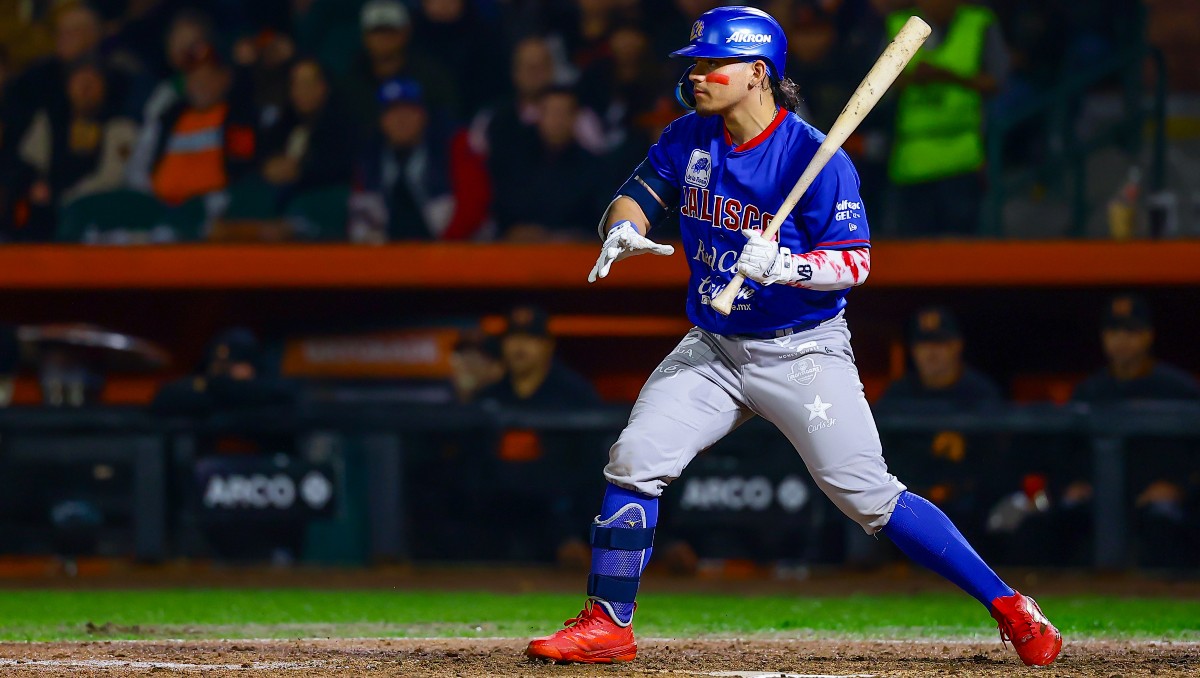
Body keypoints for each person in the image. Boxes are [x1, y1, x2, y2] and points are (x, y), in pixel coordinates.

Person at [524, 6, 1060, 668]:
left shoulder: (815, 157)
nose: (698, 75)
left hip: (801, 347)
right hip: (715, 346)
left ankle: (1010, 607)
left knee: (867, 495)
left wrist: (788, 266)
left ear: (758, 73)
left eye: (712, 63)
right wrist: (622, 227)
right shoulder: (690, 136)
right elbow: (638, 192)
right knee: (634, 458)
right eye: (694, 63)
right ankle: (609, 623)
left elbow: (856, 262)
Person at [876, 306, 1004, 542]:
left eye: (940, 344)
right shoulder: (897, 395)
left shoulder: (980, 393)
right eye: (924, 345)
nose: (931, 353)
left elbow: (996, 465)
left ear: (957, 346)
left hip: (968, 511)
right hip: (907, 508)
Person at [884, 0, 1009, 236]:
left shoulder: (978, 22)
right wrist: (911, 78)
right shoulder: (897, 24)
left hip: (962, 157)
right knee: (914, 255)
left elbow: (997, 81)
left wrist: (948, 76)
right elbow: (873, 87)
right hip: (912, 159)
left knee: (960, 252)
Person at [348, 78, 491, 242]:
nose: (401, 120)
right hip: (392, 254)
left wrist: (443, 250)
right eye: (392, 112)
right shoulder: (370, 157)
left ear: (423, 115)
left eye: (409, 111)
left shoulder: (453, 144)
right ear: (381, 120)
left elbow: (473, 206)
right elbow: (360, 219)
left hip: (456, 249)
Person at [126, 42, 257, 214]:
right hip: (160, 214)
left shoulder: (239, 117)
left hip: (215, 214)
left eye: (208, 76)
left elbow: (243, 171)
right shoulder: (169, 117)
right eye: (193, 76)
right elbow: (137, 168)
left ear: (226, 78)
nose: (199, 83)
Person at [14, 60, 137, 234]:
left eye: (92, 81)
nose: (85, 88)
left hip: (97, 210)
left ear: (105, 86)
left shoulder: (120, 127)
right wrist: (36, 182)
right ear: (68, 86)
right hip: (48, 209)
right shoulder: (49, 121)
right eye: (79, 81)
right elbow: (29, 162)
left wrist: (70, 198)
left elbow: (112, 176)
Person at [490, 86, 611, 241]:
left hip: (574, 255)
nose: (557, 120)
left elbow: (601, 219)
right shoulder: (515, 161)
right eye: (551, 112)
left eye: (563, 113)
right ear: (540, 115)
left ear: (575, 117)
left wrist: (573, 236)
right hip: (519, 251)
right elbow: (502, 207)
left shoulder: (594, 168)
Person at [258, 59, 355, 201]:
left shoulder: (341, 123)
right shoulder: (287, 119)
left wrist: (300, 172)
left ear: (323, 87)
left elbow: (340, 168)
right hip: (284, 197)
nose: (300, 91)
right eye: (295, 84)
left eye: (306, 84)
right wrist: (268, 165)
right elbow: (265, 150)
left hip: (320, 199)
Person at [477, 305, 600, 408]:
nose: (520, 344)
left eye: (531, 337)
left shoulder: (575, 395)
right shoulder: (488, 398)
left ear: (548, 345)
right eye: (513, 336)